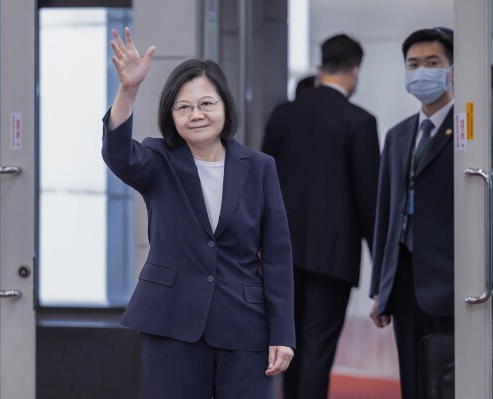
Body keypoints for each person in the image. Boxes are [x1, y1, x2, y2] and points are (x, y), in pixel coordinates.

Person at [102, 27, 295, 398]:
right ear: (171, 115)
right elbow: (118, 155)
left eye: (207, 103)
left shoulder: (259, 166)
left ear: (225, 106)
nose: (196, 115)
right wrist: (127, 91)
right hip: (171, 322)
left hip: (244, 325)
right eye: (184, 107)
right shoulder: (158, 160)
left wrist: (283, 332)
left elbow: (277, 255)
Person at [262, 34, 380, 399]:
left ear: (319, 68)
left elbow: (262, 184)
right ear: (356, 71)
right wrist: (383, 272)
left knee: (287, 344)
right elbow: (369, 201)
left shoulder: (284, 114)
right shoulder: (359, 121)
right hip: (333, 259)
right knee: (318, 349)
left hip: (282, 255)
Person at [369, 28, 454, 399]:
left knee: (451, 378)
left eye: (433, 63)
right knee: (413, 379)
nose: (422, 71)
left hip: (452, 281)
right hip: (404, 278)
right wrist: (380, 290)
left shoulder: (473, 132)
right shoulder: (399, 135)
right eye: (414, 64)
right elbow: (385, 215)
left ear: (452, 69)